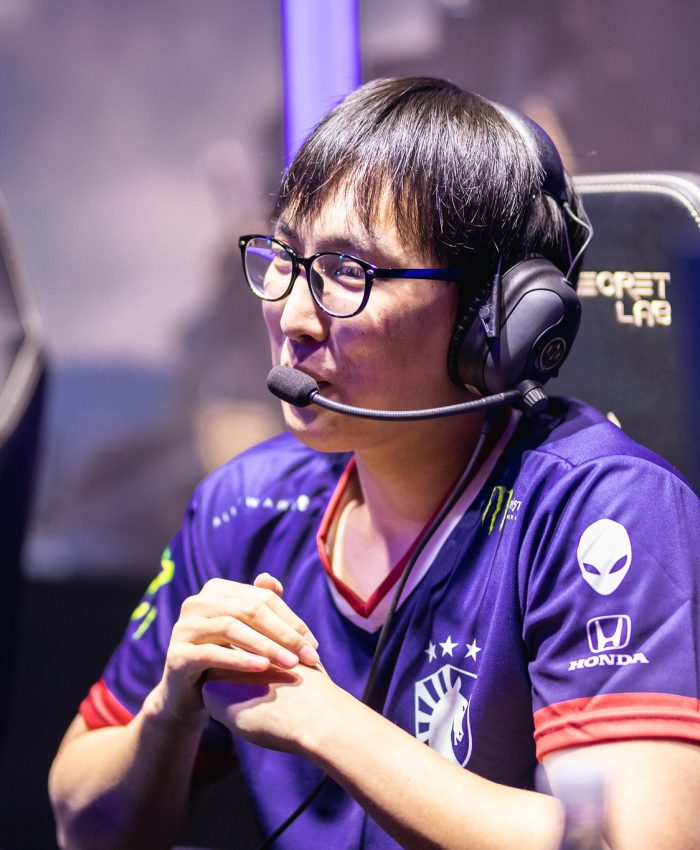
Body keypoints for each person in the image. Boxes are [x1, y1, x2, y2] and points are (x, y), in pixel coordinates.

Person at [49, 77, 700, 850]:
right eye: (284, 256)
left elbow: (620, 841)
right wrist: (169, 712)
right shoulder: (244, 507)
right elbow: (79, 823)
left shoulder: (599, 512)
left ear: (494, 319)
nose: (294, 316)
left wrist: (324, 720)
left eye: (349, 272)